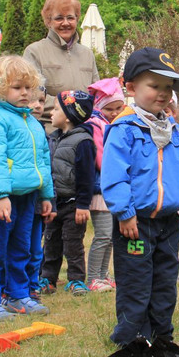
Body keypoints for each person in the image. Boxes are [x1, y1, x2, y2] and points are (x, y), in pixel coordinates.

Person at [101, 48, 179, 348]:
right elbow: (115, 174)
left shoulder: (175, 132)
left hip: (168, 223)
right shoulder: (124, 129)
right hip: (136, 222)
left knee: (165, 281)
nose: (162, 94)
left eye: (168, 88)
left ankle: (162, 335)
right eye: (154, 86)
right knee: (136, 282)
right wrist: (125, 212)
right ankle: (133, 337)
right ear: (131, 87)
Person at [0, 56, 54, 322]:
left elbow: (42, 160)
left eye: (28, 87)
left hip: (29, 196)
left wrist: (46, 195)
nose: (24, 93)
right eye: (17, 87)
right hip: (5, 197)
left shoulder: (32, 122)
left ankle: (17, 295)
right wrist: (0, 196)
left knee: (22, 248)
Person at [41, 91, 97, 296]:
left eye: (56, 109)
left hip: (74, 205)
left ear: (68, 115)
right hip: (54, 203)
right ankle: (48, 279)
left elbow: (87, 176)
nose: (51, 113)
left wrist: (83, 205)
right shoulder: (52, 138)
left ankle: (76, 280)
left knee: (72, 244)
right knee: (51, 242)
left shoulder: (83, 141)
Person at [23, 0, 100, 129]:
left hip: (84, 130)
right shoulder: (34, 52)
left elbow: (97, 95)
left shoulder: (87, 54)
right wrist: (73, 108)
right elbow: (32, 97)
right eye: (59, 18)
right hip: (50, 129)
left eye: (70, 17)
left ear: (77, 19)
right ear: (48, 21)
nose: (65, 23)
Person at [84, 77, 125, 292]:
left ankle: (103, 275)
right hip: (101, 187)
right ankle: (92, 277)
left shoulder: (112, 123)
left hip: (113, 186)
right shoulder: (96, 124)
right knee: (102, 234)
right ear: (100, 106)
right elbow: (100, 155)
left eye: (119, 107)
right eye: (110, 108)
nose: (115, 112)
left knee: (110, 236)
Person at [27, 86, 50, 299]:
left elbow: (45, 164)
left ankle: (32, 286)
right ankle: (10, 289)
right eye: (32, 100)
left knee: (35, 248)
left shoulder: (41, 129)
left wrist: (47, 196)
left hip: (37, 200)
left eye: (41, 101)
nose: (37, 105)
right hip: (19, 199)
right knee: (18, 247)